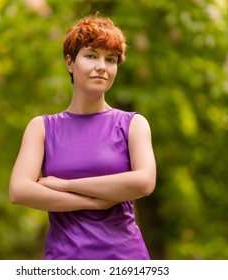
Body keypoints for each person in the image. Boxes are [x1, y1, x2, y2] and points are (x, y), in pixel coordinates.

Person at [9, 15, 156, 260]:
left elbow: (144, 182)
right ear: (70, 62)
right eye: (91, 56)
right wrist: (94, 202)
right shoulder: (42, 128)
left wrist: (66, 185)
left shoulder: (133, 124)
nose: (102, 66)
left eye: (111, 59)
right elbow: (19, 190)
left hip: (124, 259)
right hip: (64, 259)